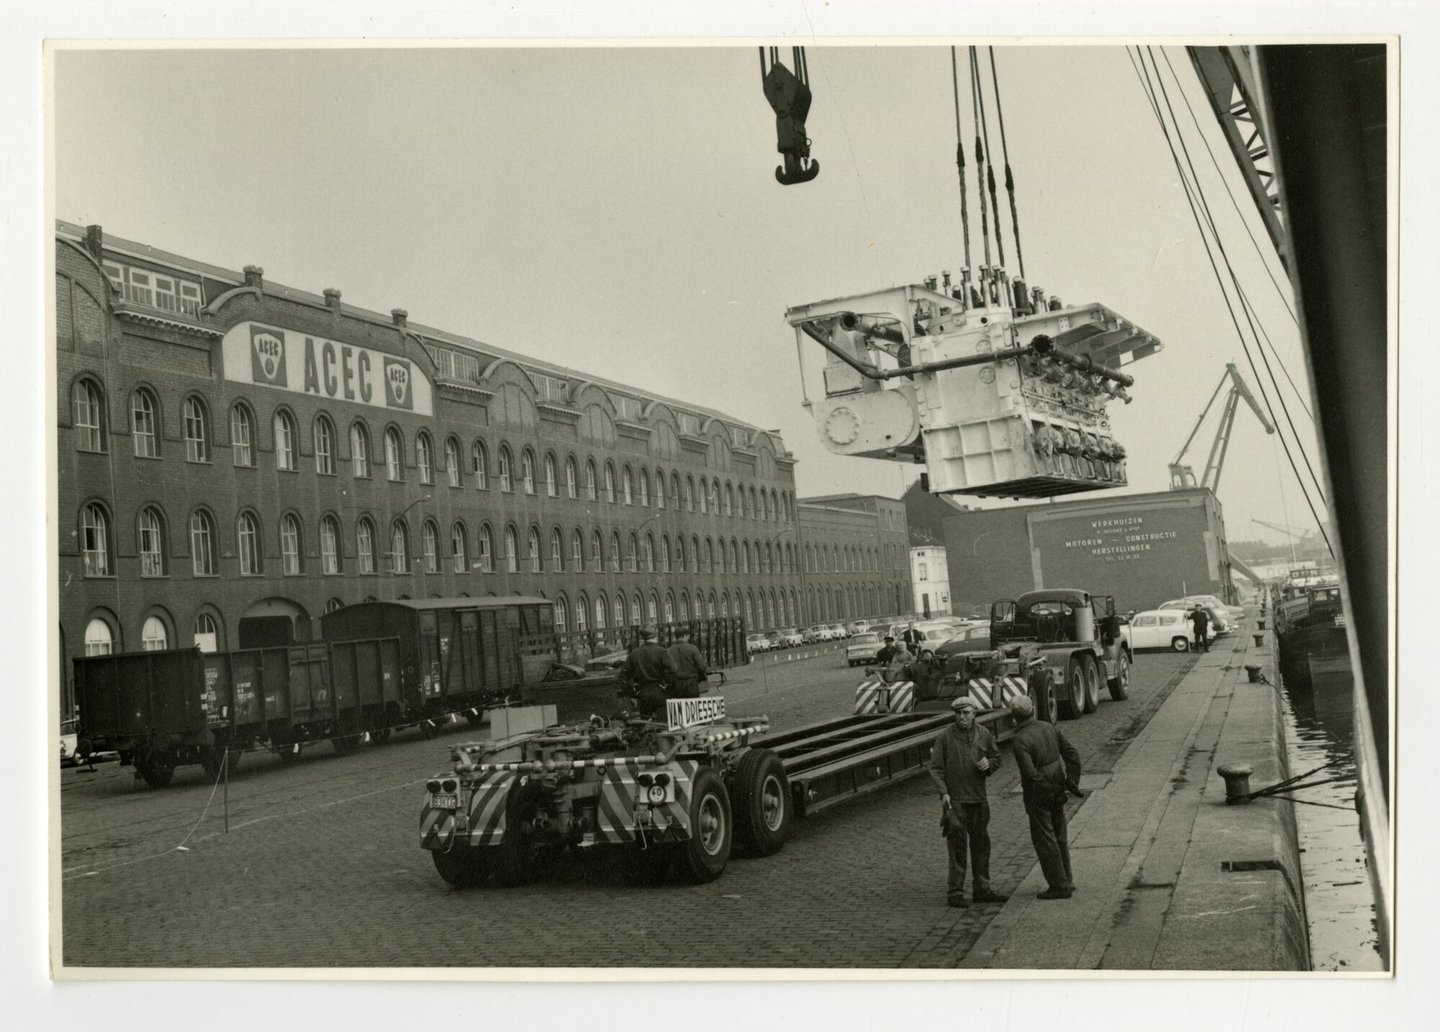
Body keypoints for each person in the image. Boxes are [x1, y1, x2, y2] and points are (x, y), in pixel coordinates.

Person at [928, 696, 1007, 908]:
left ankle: (982, 889)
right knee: (957, 847)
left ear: (974, 714)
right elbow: (936, 768)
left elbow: (997, 758)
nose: (962, 717)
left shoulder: (984, 734)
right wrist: (943, 793)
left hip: (979, 800)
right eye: (958, 713)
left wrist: (988, 764)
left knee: (981, 845)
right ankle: (955, 892)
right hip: (956, 802)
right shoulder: (944, 737)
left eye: (966, 713)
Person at [1009, 694, 1083, 900]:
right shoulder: (1049, 727)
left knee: (1044, 839)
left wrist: (1045, 787)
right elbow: (1072, 755)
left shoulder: (1020, 740)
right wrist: (1072, 781)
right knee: (1060, 836)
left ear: (1014, 716)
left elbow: (1030, 773)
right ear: (1032, 709)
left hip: (1038, 794)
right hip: (1058, 787)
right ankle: (1067, 879)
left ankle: (1059, 885)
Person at [622, 626, 679, 719]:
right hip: (660, 691)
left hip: (643, 693)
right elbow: (673, 670)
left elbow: (623, 676)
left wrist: (632, 693)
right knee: (663, 725)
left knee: (645, 726)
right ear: (655, 636)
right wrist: (669, 688)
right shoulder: (661, 652)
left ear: (642, 638)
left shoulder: (634, 653)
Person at [666, 627, 710, 699]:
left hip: (676, 685)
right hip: (691, 684)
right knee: (693, 708)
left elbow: (667, 669)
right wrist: (702, 677)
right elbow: (702, 666)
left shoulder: (669, 651)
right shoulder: (693, 648)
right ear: (685, 635)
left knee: (678, 708)